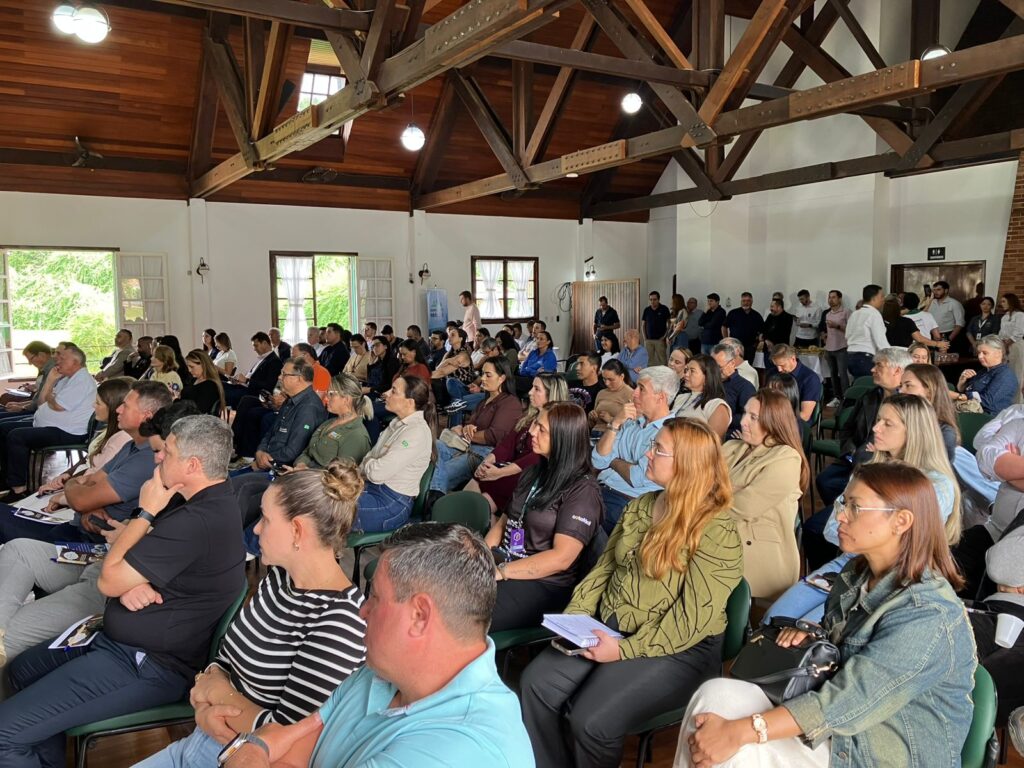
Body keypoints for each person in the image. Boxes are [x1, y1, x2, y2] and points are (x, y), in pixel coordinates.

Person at [677, 462, 974, 768]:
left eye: (855, 507)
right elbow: (839, 659)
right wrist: (814, 639)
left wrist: (743, 731)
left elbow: (851, 698)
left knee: (740, 749)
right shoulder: (855, 574)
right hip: (842, 730)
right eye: (843, 503)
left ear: (901, 521)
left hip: (884, 751)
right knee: (715, 695)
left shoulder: (928, 614)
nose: (840, 515)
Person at [0, 415, 246, 767]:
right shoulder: (194, 500)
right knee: (21, 671)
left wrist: (145, 514)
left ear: (193, 465)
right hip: (118, 639)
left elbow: (110, 579)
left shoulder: (197, 519)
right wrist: (133, 580)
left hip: (148, 664)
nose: (158, 457)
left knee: (4, 733)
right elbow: (132, 558)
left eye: (168, 452)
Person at [521, 418, 742, 768]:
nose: (646, 454)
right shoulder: (642, 505)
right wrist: (576, 617)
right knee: (536, 684)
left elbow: (691, 619)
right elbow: (605, 569)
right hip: (613, 624)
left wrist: (624, 650)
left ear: (687, 464)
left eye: (658, 449)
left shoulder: (717, 530)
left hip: (681, 648)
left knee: (590, 720)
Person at [219, 523, 533, 768]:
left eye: (375, 597)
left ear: (419, 616)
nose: (362, 611)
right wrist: (256, 749)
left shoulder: (459, 749)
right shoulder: (384, 671)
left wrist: (249, 749)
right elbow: (293, 751)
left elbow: (272, 747)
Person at [133, 461, 367, 768]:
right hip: (202, 740)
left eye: (265, 519)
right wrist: (206, 704)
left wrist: (218, 694)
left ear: (297, 531)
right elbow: (225, 658)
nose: (256, 529)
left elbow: (286, 738)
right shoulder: (280, 578)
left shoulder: (339, 622)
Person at [0, 400, 194, 683]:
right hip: (101, 556)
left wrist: (132, 527)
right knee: (18, 550)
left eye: (162, 452)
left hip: (110, 586)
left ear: (189, 457)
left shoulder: (193, 509)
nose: (155, 459)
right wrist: (126, 527)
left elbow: (132, 573)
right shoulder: (163, 484)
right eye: (157, 451)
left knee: (13, 635)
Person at [767, 394, 962, 622]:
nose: (876, 428)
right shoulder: (870, 470)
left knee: (810, 628)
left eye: (887, 423)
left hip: (896, 577)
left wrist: (860, 535)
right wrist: (866, 533)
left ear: (914, 432)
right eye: (878, 420)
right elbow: (832, 528)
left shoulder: (936, 485)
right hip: (849, 563)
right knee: (774, 618)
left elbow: (911, 545)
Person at [487, 402, 603, 632]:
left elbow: (561, 558)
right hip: (507, 564)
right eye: (534, 424)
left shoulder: (582, 490)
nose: (531, 431)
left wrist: (501, 572)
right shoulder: (533, 472)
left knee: (464, 613)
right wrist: (482, 558)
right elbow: (503, 522)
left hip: (543, 583)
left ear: (563, 438)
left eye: (541, 428)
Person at [724, 390, 809, 599]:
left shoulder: (786, 457)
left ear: (774, 423)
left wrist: (713, 491)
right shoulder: (733, 446)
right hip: (721, 531)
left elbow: (743, 506)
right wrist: (732, 490)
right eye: (745, 413)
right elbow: (697, 483)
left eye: (753, 417)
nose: (743, 422)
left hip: (757, 548)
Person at [814, 347, 910, 509]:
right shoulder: (869, 396)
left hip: (885, 466)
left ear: (897, 370)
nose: (872, 369)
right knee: (825, 480)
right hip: (855, 457)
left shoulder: (909, 404)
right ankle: (843, 512)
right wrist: (850, 451)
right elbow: (848, 428)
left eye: (879, 365)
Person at [0, 344, 97, 497]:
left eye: (62, 357)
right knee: (3, 427)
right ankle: (5, 479)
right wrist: (50, 381)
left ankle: (19, 488)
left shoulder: (82, 380)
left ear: (75, 362)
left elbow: (57, 405)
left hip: (68, 432)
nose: (56, 359)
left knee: (17, 436)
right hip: (51, 425)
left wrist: (51, 397)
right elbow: (41, 403)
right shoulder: (66, 379)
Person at [592, 366, 678, 533]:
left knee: (577, 524)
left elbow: (637, 477)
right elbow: (597, 460)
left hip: (628, 501)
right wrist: (615, 424)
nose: (634, 394)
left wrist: (613, 460)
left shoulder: (671, 432)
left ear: (660, 397)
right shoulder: (630, 422)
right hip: (601, 489)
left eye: (641, 389)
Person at [466, 373, 568, 515]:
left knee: (480, 504)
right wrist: (486, 463)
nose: (530, 392)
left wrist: (500, 473)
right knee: (477, 482)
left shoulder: (557, 426)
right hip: (509, 469)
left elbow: (536, 458)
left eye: (536, 389)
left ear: (552, 394)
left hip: (529, 477)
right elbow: (507, 444)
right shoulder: (528, 417)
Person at [356, 375, 435, 532]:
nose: (386, 394)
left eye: (393, 391)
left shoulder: (416, 432)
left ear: (409, 402)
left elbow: (377, 472)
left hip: (391, 503)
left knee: (326, 508)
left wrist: (370, 463)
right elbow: (370, 459)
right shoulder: (396, 423)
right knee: (320, 496)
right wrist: (372, 463)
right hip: (372, 488)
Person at [432, 357, 522, 495]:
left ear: (502, 378)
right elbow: (471, 424)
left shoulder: (510, 403)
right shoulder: (484, 400)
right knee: (432, 446)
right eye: (482, 374)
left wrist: (466, 434)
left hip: (484, 454)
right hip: (465, 446)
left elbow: (493, 436)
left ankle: (433, 499)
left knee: (441, 471)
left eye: (488, 375)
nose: (483, 378)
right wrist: (466, 429)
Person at [37, 377, 134, 496]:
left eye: (98, 403)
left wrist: (64, 486)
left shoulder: (122, 439)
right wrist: (67, 474)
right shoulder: (108, 429)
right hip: (79, 482)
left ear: (113, 408)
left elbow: (95, 477)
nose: (93, 405)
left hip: (85, 490)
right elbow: (90, 459)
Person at [246, 357, 328, 472]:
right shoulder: (291, 399)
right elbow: (271, 432)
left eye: (284, 374)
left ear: (299, 379)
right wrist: (260, 452)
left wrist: (263, 462)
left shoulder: (309, 408)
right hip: (267, 460)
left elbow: (293, 451)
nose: (279, 377)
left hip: (280, 469)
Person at [291, 374, 372, 470]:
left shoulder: (356, 435)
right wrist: (301, 465)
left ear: (346, 399)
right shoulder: (328, 423)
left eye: (331, 394)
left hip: (317, 478)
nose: (326, 398)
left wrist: (307, 472)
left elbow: (342, 475)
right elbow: (308, 452)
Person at [900, 362, 960, 462]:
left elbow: (938, 468)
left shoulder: (945, 432)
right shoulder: (900, 420)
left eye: (908, 385)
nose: (901, 391)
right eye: (901, 385)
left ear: (929, 390)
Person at [956, 335, 1019, 414]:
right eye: (979, 353)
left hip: (989, 417)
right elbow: (965, 390)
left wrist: (958, 396)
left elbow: (987, 401)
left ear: (998, 353)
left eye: (985, 353)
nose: (980, 356)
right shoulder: (983, 371)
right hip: (971, 412)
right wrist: (962, 381)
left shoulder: (1005, 375)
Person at [673, 354, 731, 438]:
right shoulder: (680, 397)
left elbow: (713, 441)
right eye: (686, 370)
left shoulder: (717, 406)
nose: (686, 374)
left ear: (707, 377)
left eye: (692, 371)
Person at [222, 332, 283, 410]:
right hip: (245, 387)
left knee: (222, 391)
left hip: (254, 393)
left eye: (256, 345)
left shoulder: (274, 361)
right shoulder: (262, 359)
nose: (254, 349)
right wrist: (239, 381)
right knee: (218, 384)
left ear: (264, 343)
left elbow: (269, 385)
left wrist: (247, 380)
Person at [768, 344, 822, 424]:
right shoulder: (772, 373)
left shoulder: (810, 378)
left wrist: (777, 420)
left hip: (797, 422)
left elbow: (805, 415)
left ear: (793, 359)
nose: (779, 370)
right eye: (776, 365)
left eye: (782, 365)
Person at [0, 342, 54, 420]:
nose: (30, 363)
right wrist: (19, 404)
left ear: (41, 355)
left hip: (41, 413)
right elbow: (36, 399)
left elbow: (42, 403)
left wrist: (22, 407)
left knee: (3, 422)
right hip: (36, 408)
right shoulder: (45, 369)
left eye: (31, 359)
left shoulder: (53, 371)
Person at [712, 342, 757, 435]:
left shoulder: (745, 387)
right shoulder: (709, 382)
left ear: (732, 363)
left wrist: (721, 419)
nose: (715, 371)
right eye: (712, 367)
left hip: (728, 433)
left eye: (719, 367)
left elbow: (749, 415)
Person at [845, 284, 889, 377]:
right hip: (865, 358)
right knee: (869, 384)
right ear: (874, 298)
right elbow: (881, 341)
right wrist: (891, 358)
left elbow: (847, 335)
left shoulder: (855, 314)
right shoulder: (874, 314)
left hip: (850, 356)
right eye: (881, 296)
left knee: (859, 383)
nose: (883, 300)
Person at [588, 359, 634, 434]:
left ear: (622, 377)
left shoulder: (631, 394)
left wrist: (611, 420)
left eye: (611, 379)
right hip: (595, 433)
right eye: (604, 379)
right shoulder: (601, 393)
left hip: (615, 435)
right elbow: (591, 425)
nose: (607, 383)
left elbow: (633, 426)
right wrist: (592, 418)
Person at [822, 289, 851, 406]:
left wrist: (837, 326)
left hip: (842, 348)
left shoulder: (846, 312)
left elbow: (851, 330)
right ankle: (837, 397)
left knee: (843, 374)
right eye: (829, 297)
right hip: (829, 348)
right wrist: (824, 337)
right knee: (832, 374)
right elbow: (828, 332)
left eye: (833, 297)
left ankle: (846, 398)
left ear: (839, 299)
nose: (831, 300)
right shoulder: (828, 314)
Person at [180, 348, 226, 415]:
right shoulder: (194, 380)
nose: (189, 370)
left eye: (192, 367)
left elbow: (198, 411)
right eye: (188, 367)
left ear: (203, 365)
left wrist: (176, 400)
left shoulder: (209, 386)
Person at [724, 293, 763, 364]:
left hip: (750, 348)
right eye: (744, 301)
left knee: (748, 366)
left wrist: (758, 343)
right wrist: (726, 340)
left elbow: (762, 331)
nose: (746, 303)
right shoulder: (733, 313)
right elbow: (724, 326)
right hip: (735, 347)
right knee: (735, 366)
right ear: (741, 302)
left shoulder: (757, 315)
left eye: (748, 301)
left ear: (752, 302)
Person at [929, 279, 966, 352]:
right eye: (934, 290)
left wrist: (949, 339)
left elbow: (960, 324)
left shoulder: (954, 304)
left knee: (947, 357)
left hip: (948, 335)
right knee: (933, 357)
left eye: (938, 290)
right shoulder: (931, 302)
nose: (935, 292)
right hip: (932, 336)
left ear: (946, 290)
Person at [517, 330, 557, 397]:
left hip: (538, 382)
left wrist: (528, 369)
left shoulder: (550, 356)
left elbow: (542, 376)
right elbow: (522, 370)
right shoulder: (533, 353)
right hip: (526, 378)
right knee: (510, 380)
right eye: (537, 338)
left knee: (512, 382)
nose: (538, 341)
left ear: (548, 342)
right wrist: (534, 371)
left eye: (541, 339)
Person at [642, 290, 671, 365]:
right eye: (651, 299)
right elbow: (643, 325)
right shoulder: (647, 310)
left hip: (660, 340)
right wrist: (645, 338)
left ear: (658, 299)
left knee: (662, 361)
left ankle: (663, 373)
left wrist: (664, 336)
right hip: (648, 340)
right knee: (648, 361)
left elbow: (669, 324)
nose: (652, 301)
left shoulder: (664, 309)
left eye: (654, 299)